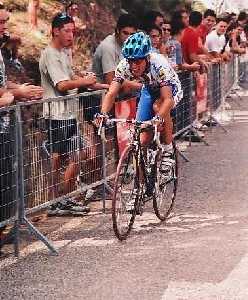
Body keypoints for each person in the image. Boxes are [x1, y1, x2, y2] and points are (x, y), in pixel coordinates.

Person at [39, 12, 107, 198]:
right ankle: (55, 200)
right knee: (57, 157)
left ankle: (65, 196)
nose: (71, 35)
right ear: (55, 31)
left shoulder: (64, 52)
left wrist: (94, 83)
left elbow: (71, 77)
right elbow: (62, 84)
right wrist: (85, 82)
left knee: (79, 152)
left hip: (69, 113)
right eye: (67, 31)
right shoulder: (50, 55)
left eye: (73, 31)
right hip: (56, 115)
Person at [97, 32, 183, 175]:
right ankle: (139, 190)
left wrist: (157, 118)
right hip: (149, 89)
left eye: (137, 61)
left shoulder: (158, 65)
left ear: (147, 58)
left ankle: (168, 151)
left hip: (171, 90)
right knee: (141, 139)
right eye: (130, 61)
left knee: (159, 107)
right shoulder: (124, 66)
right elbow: (111, 93)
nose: (133, 66)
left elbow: (167, 99)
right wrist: (103, 114)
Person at [0, 4, 43, 250]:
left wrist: (20, 92)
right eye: (1, 22)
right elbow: (3, 95)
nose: (5, 28)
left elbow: (5, 87)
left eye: (6, 22)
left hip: (6, 127)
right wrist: (11, 97)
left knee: (7, 187)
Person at [92, 14, 137, 84]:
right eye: (125, 33)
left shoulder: (131, 45)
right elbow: (110, 81)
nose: (129, 38)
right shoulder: (108, 47)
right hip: (98, 91)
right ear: (118, 31)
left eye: (132, 34)